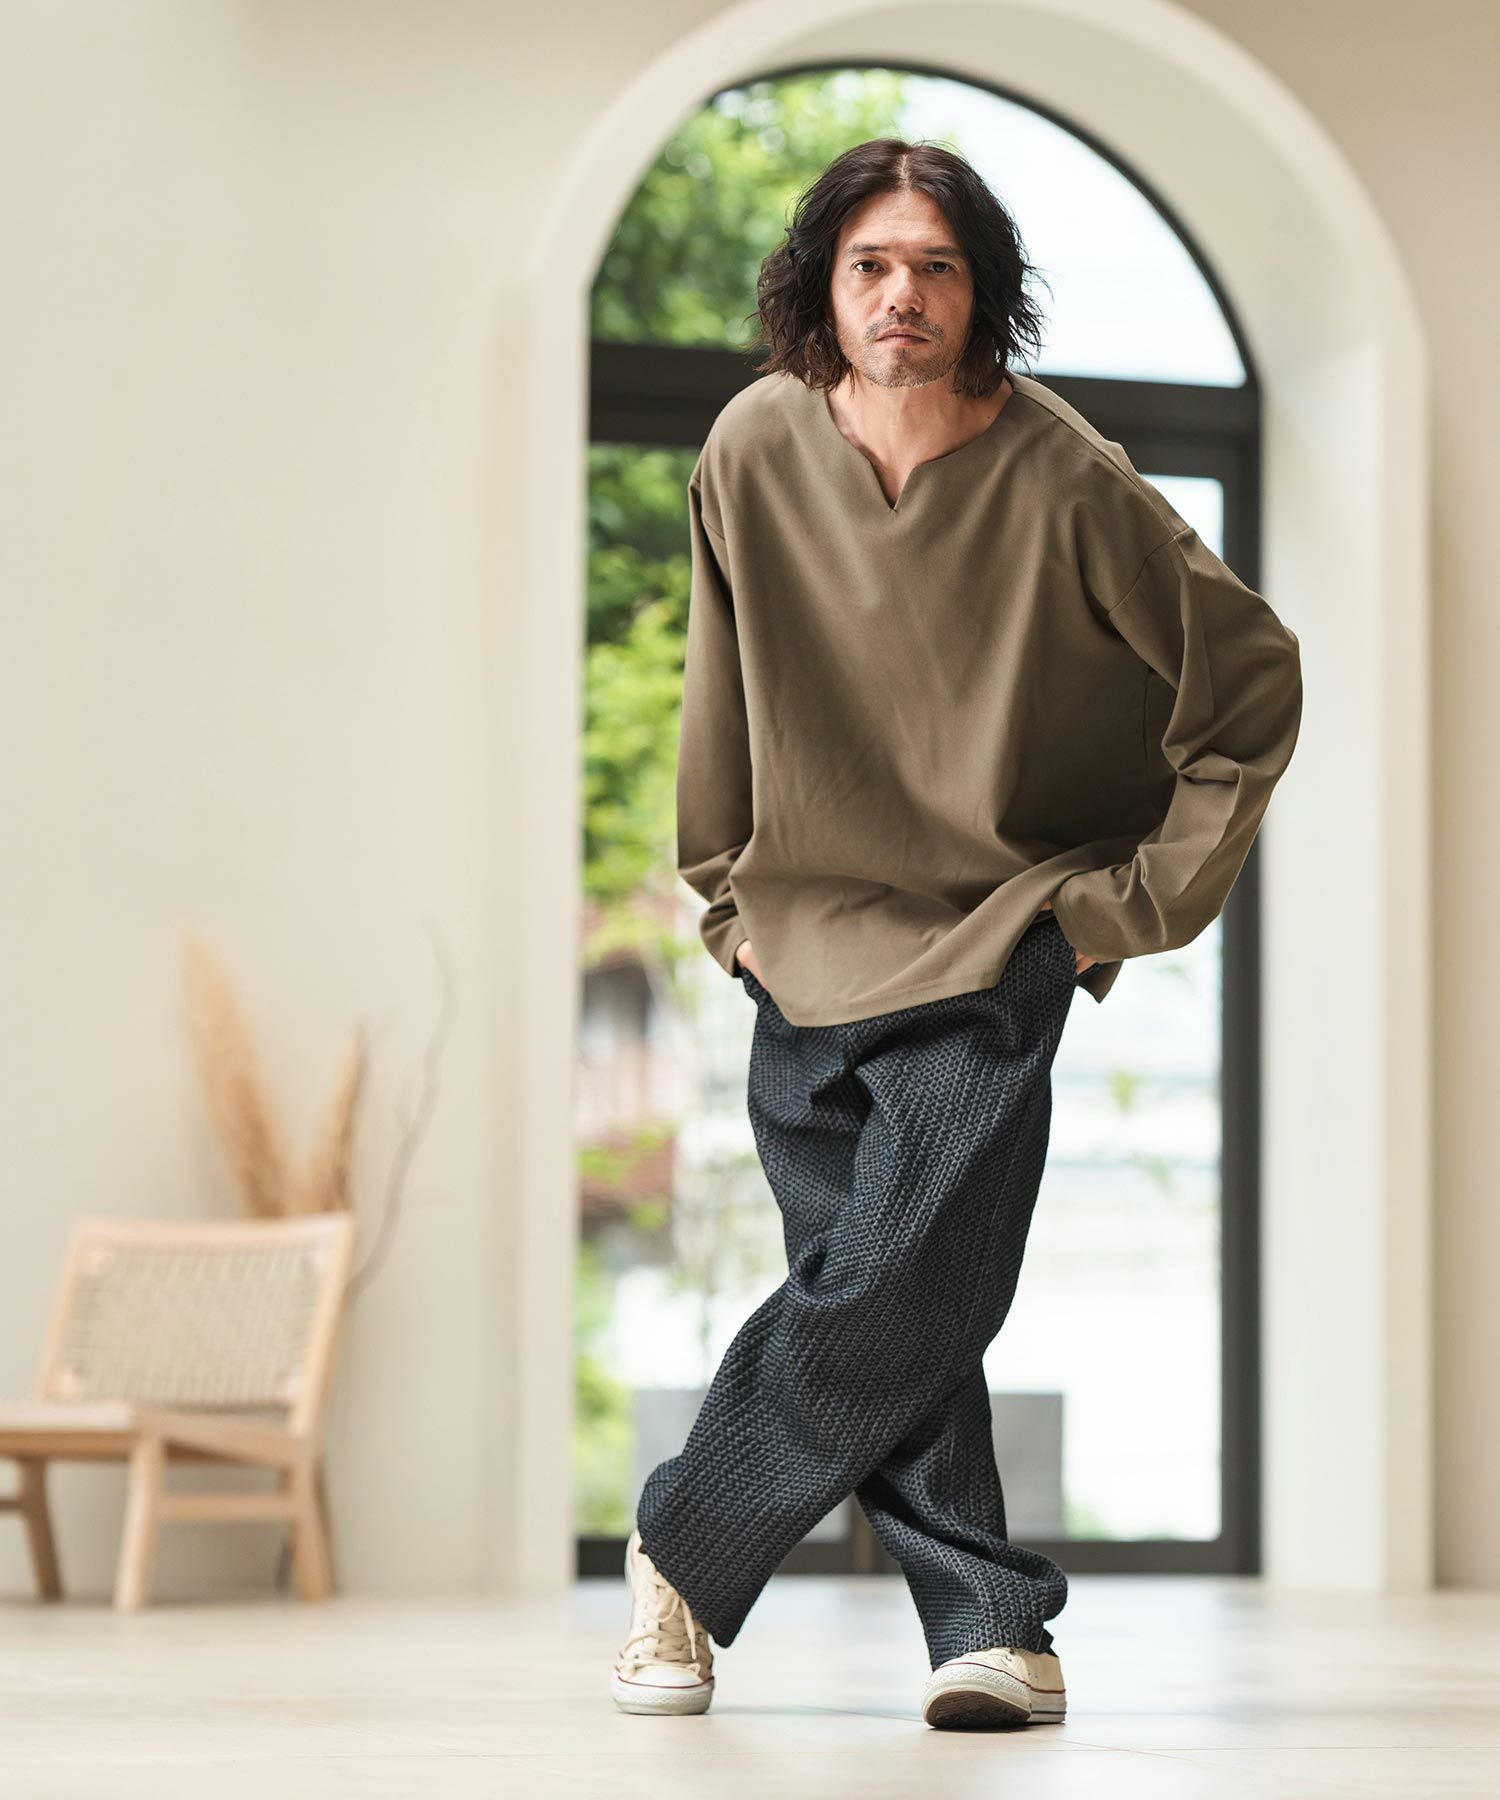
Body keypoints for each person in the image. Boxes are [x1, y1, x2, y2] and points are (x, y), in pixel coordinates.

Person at [610, 137, 1303, 1730]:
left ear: (981, 293)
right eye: (871, 265)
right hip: (798, 944)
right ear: (823, 287)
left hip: (996, 938)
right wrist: (726, 901)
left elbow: (1251, 686)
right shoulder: (752, 446)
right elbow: (722, 681)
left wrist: (1118, 911)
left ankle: (680, 1550)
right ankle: (993, 1629)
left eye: (936, 266)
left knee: (893, 1279)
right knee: (894, 1294)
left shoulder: (1064, 474)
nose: (902, 295)